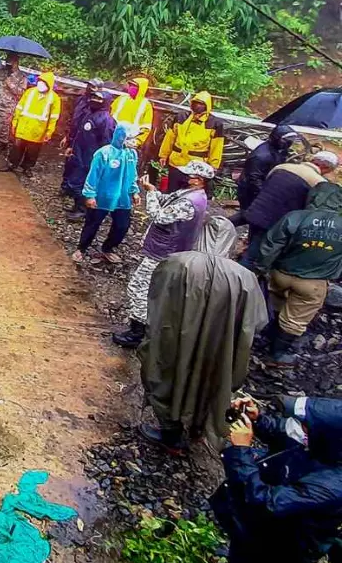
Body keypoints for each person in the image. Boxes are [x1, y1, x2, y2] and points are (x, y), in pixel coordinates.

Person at [136, 217, 263, 454]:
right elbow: (255, 322)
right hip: (218, 348)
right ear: (231, 241)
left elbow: (156, 301)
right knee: (211, 381)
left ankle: (171, 434)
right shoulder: (245, 278)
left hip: (175, 339)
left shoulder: (175, 263)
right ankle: (196, 429)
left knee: (167, 376)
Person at [212, 396, 342, 563]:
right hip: (260, 530)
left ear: (327, 437)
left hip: (280, 547)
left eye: (307, 425)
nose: (302, 427)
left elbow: (266, 502)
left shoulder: (331, 485)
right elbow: (285, 432)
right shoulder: (321, 445)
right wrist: (256, 419)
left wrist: (241, 451)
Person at [112, 160, 213, 348]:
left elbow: (159, 216)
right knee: (148, 289)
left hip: (163, 253)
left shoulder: (190, 202)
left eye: (188, 175)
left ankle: (137, 333)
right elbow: (167, 201)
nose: (184, 176)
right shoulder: (190, 194)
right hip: (164, 250)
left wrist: (150, 193)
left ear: (199, 180)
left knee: (138, 289)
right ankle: (144, 328)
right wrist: (152, 189)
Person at [251, 182, 342, 366]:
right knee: (295, 319)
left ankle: (266, 336)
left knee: (276, 304)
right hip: (314, 282)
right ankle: (277, 355)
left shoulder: (295, 217)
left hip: (282, 273)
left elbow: (271, 245)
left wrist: (261, 268)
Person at [239, 151, 337, 269]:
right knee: (255, 256)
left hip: (255, 211)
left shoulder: (282, 167)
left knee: (254, 243)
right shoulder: (319, 183)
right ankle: (238, 279)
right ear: (325, 167)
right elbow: (311, 209)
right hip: (274, 222)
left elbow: (267, 185)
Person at [73, 123, 139, 262]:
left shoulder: (131, 154)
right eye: (130, 138)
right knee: (92, 223)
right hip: (103, 195)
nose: (134, 142)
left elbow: (132, 175)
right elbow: (93, 175)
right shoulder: (104, 153)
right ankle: (81, 248)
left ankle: (108, 248)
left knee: (122, 226)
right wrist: (90, 195)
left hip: (122, 197)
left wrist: (134, 191)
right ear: (121, 137)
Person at [61, 85, 116, 220]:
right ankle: (77, 206)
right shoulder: (90, 114)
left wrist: (100, 162)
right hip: (80, 154)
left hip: (91, 158)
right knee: (75, 181)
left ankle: (82, 210)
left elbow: (107, 143)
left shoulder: (106, 120)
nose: (94, 100)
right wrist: (71, 146)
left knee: (85, 183)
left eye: (98, 99)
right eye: (94, 97)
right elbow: (80, 133)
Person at [158, 91, 224, 191]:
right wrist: (163, 155)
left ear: (207, 106)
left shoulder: (215, 123)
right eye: (196, 103)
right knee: (172, 192)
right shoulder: (181, 117)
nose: (198, 106)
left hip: (196, 167)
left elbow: (216, 147)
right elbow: (170, 138)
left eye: (201, 104)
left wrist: (213, 166)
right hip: (176, 163)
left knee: (189, 194)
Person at [0, 72, 61, 177]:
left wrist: (49, 132)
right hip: (23, 127)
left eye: (44, 82)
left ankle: (27, 168)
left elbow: (54, 117)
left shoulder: (54, 98)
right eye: (40, 81)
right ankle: (11, 164)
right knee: (16, 149)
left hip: (38, 131)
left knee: (33, 152)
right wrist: (14, 122)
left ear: (49, 84)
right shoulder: (30, 92)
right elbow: (19, 108)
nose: (40, 84)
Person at [236, 124, 299, 211]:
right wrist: (265, 194)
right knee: (249, 213)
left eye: (290, 140)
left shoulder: (280, 150)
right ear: (276, 138)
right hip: (250, 190)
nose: (289, 143)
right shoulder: (261, 156)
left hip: (263, 186)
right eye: (285, 140)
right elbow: (254, 178)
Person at [110, 78, 155, 148]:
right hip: (111, 136)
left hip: (129, 142)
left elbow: (146, 128)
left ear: (141, 88)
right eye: (130, 85)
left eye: (134, 86)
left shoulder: (146, 105)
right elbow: (109, 113)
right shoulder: (121, 98)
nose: (131, 88)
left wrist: (137, 141)